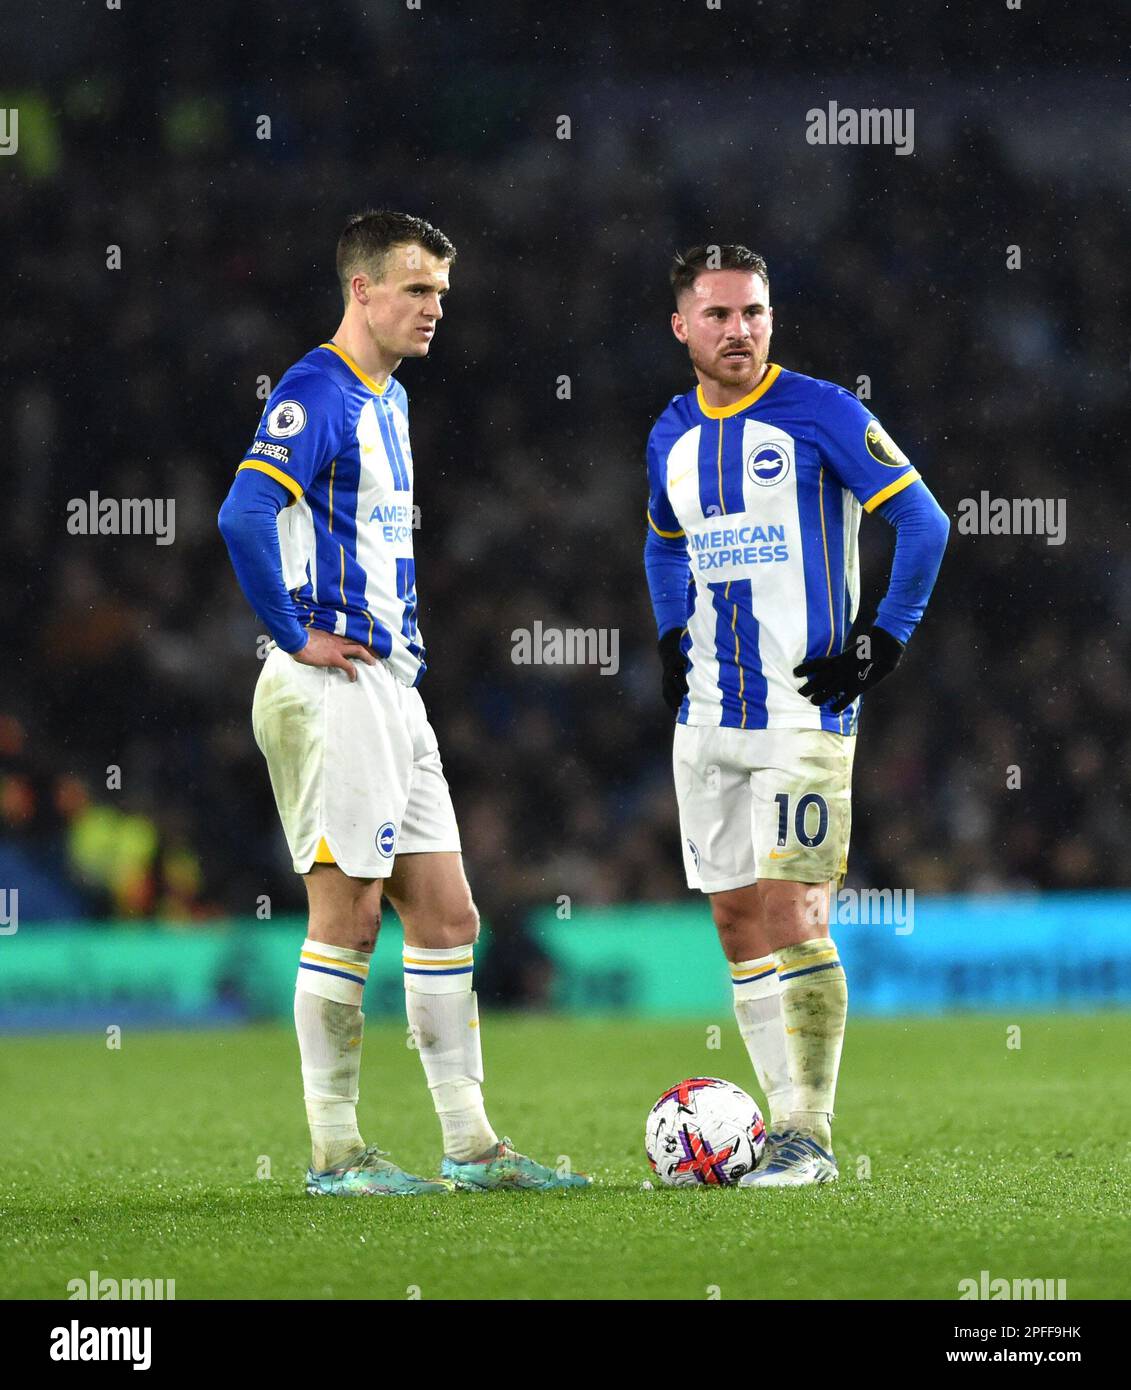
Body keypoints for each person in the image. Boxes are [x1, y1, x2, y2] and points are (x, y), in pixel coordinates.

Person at [219, 209, 589, 1196]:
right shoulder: (319, 391)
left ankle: (470, 1147)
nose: (434, 309)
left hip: (390, 685)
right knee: (346, 916)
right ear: (362, 290)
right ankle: (335, 1153)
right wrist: (295, 630)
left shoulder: (389, 399)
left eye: (441, 294)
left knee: (449, 913)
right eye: (417, 290)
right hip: (330, 683)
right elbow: (243, 510)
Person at [644, 244, 949, 1186]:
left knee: (794, 912)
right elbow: (662, 545)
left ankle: (807, 1133)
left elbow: (924, 521)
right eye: (720, 314)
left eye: (754, 313)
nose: (739, 331)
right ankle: (775, 1124)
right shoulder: (669, 434)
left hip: (801, 714)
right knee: (736, 920)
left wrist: (882, 637)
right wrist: (667, 637)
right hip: (706, 719)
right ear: (682, 325)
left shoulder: (822, 411)